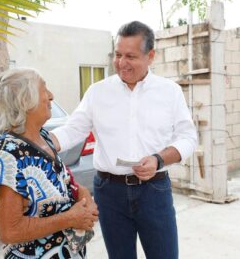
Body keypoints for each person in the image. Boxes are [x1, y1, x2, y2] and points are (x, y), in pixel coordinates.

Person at [50, 21, 197, 259]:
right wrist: (40, 142)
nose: (121, 63)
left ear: (151, 56)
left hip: (154, 191)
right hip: (110, 193)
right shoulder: (98, 92)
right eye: (118, 55)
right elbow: (73, 129)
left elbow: (188, 137)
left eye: (131, 56)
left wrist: (158, 159)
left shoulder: (169, 92)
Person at [0, 68, 98, 259]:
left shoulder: (44, 137)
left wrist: (82, 193)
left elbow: (58, 182)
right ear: (26, 101)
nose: (51, 95)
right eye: (44, 89)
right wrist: (70, 218)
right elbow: (9, 231)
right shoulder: (9, 154)